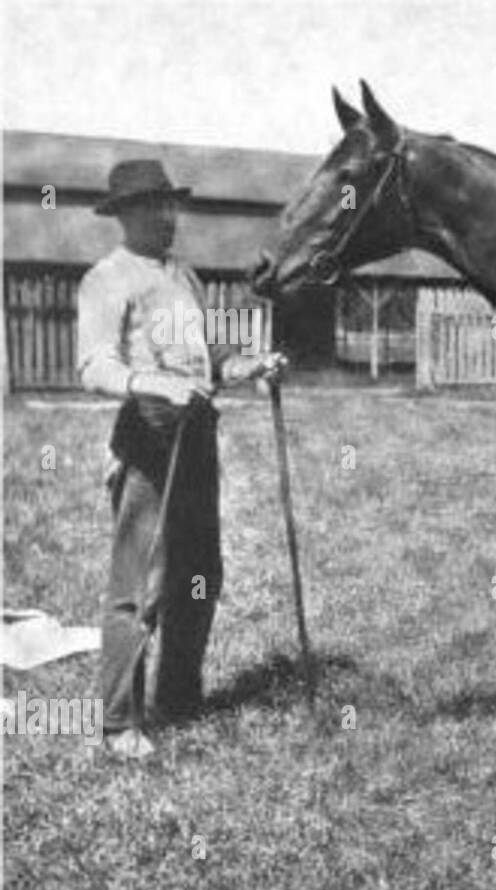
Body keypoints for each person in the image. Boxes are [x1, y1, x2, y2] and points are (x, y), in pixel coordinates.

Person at [78, 159, 287, 758]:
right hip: (148, 440)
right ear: (123, 216)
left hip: (197, 440)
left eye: (170, 205)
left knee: (199, 577)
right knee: (140, 585)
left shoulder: (185, 277)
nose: (167, 217)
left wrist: (249, 367)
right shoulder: (106, 279)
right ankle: (120, 723)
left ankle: (179, 695)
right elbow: (94, 365)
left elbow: (207, 357)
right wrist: (152, 383)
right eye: (151, 207)